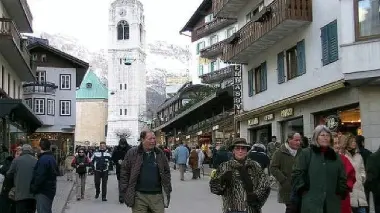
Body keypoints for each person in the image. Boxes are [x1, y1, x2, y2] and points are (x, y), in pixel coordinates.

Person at [292, 125, 348, 213]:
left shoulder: (335, 156)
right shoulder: (306, 153)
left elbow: (342, 176)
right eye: (322, 135)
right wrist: (302, 189)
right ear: (316, 137)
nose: (325, 138)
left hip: (332, 202)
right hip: (311, 201)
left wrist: (341, 191)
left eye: (327, 135)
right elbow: (297, 173)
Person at [210, 138, 271, 213]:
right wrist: (221, 180)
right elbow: (214, 188)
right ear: (233, 150)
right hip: (231, 209)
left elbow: (265, 185)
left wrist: (256, 196)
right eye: (237, 148)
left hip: (250, 210)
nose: (240, 151)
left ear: (247, 150)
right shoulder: (224, 166)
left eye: (243, 148)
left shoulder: (255, 166)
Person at [120, 130, 171, 213]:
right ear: (142, 140)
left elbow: (166, 171)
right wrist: (125, 191)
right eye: (150, 139)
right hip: (139, 196)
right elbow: (124, 173)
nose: (153, 141)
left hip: (157, 196)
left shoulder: (159, 153)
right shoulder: (132, 153)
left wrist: (168, 186)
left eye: (154, 138)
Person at [270, 132, 301, 213]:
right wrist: (283, 180)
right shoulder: (279, 152)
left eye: (299, 140)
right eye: (296, 140)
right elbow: (273, 168)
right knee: (292, 208)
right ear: (289, 140)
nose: (298, 142)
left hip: (301, 187)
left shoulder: (302, 152)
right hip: (287, 188)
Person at [30, 139, 58, 213]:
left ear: (41, 147)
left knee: (43, 210)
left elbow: (39, 176)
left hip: (43, 191)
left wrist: (33, 187)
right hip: (49, 189)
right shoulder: (51, 157)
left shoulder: (44, 159)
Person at [112, 138, 132, 203]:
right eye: (121, 144)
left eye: (123, 144)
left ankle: (127, 196)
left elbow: (133, 159)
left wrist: (126, 162)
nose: (122, 146)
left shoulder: (129, 149)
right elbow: (113, 157)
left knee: (128, 183)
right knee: (120, 183)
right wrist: (117, 161)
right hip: (119, 168)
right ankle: (121, 197)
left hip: (128, 169)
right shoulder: (116, 149)